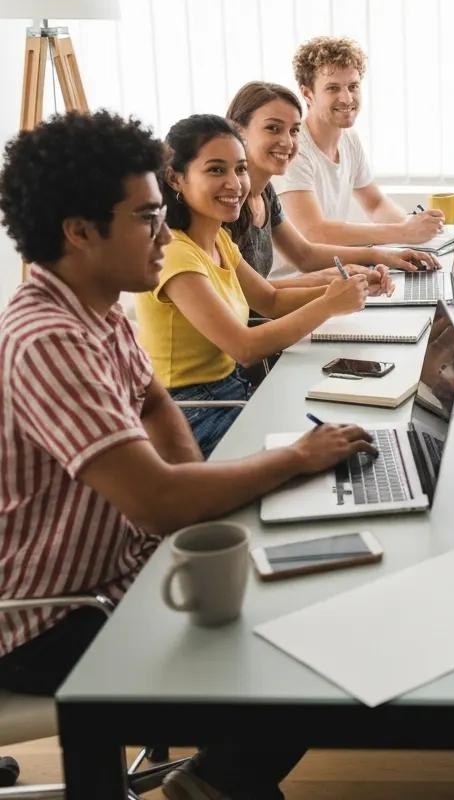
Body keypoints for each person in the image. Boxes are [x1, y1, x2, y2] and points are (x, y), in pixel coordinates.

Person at [0, 111, 376, 800]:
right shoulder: (47, 339)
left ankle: (212, 785)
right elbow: (158, 500)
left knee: (311, 611)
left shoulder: (98, 307)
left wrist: (198, 486)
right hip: (50, 617)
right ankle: (208, 789)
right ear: (80, 232)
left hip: (118, 572)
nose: (164, 232)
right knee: (292, 666)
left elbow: (152, 402)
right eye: (146, 217)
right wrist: (293, 458)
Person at [134, 114, 371, 457]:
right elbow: (244, 347)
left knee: (340, 429)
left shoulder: (219, 241)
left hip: (231, 389)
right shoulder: (174, 253)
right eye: (216, 170)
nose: (235, 183)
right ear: (175, 178)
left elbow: (271, 299)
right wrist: (329, 304)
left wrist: (351, 290)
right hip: (189, 411)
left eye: (240, 169)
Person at [225, 79, 438, 281]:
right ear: (238, 130)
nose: (287, 141)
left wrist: (381, 256)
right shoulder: (227, 202)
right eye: (273, 128)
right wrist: (332, 284)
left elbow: (305, 255)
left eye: (294, 130)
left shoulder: (265, 193)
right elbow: (256, 295)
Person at [273, 35, 447, 260]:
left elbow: (375, 204)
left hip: (334, 272)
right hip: (296, 282)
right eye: (333, 88)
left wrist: (417, 228)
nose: (346, 98)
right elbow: (314, 232)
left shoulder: (349, 139)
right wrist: (403, 232)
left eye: (353, 86)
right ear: (307, 94)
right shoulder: (294, 149)